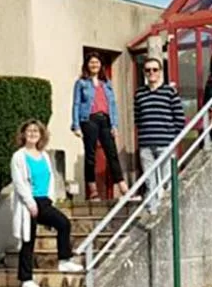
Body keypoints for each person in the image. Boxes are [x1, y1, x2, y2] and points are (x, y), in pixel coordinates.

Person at [10, 120, 82, 287]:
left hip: (44, 201)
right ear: (23, 134)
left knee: (63, 223)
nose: (33, 134)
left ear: (41, 135)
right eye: (29, 131)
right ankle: (26, 279)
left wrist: (50, 198)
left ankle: (64, 260)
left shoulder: (44, 156)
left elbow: (49, 178)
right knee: (28, 240)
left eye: (36, 131)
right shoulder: (19, 156)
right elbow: (19, 182)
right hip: (28, 202)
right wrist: (29, 202)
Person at [71, 52, 131, 200]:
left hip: (105, 120)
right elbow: (76, 104)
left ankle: (123, 187)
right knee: (90, 155)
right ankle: (92, 190)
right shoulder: (81, 83)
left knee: (112, 153)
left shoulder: (107, 83)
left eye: (96, 62)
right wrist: (76, 125)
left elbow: (113, 105)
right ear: (86, 65)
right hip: (89, 120)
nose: (94, 65)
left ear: (101, 65)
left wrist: (114, 125)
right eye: (91, 62)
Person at [134, 57, 186, 213]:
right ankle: (153, 211)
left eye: (155, 70)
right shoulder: (139, 94)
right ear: (144, 72)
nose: (151, 73)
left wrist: (172, 138)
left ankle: (169, 210)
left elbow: (180, 118)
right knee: (150, 181)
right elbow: (138, 118)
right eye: (148, 70)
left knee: (167, 179)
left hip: (166, 143)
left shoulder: (169, 92)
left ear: (160, 72)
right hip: (146, 144)